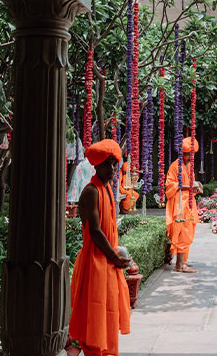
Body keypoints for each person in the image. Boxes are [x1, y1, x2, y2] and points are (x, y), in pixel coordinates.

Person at [69, 139, 131, 356]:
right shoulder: (91, 191)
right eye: (108, 164)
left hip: (107, 261)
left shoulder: (106, 189)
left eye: (115, 164)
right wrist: (114, 257)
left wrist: (118, 255)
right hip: (94, 264)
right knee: (94, 322)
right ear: (96, 166)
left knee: (107, 318)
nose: (113, 169)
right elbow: (95, 231)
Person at [166, 136, 202, 273]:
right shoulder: (175, 166)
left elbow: (190, 184)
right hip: (179, 205)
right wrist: (188, 186)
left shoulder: (189, 166)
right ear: (182, 154)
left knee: (188, 230)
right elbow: (169, 185)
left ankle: (183, 261)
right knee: (182, 232)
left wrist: (196, 188)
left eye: (191, 155)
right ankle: (179, 264)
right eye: (187, 155)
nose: (189, 157)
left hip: (189, 203)